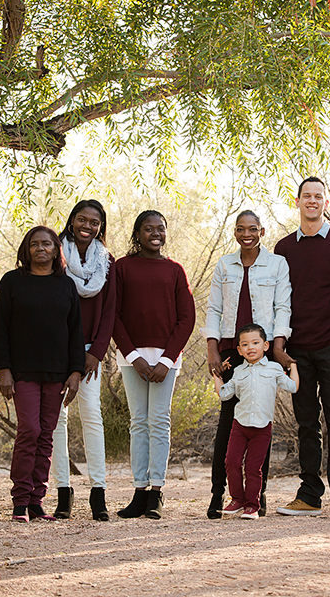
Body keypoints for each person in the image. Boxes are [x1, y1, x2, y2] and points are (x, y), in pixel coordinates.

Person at [273, 177, 330, 516]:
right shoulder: (284, 248)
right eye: (306, 196)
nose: (312, 201)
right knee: (306, 423)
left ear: (327, 202)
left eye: (318, 197)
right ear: (297, 202)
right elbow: (280, 302)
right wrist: (279, 347)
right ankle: (310, 494)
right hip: (298, 351)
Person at [202, 210, 292, 519]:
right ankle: (219, 495)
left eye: (252, 229)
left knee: (259, 421)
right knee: (228, 424)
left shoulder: (277, 264)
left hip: (262, 351)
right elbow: (214, 308)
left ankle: (257, 496)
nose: (246, 234)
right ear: (235, 232)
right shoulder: (225, 265)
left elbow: (283, 307)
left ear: (262, 231)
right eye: (240, 229)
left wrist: (277, 348)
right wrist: (213, 350)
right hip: (231, 349)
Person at [0, 226, 84, 522]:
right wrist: (4, 369)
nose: (41, 248)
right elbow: (0, 329)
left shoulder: (66, 285)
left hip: (58, 372)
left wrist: (75, 372)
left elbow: (75, 332)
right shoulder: (12, 282)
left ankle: (36, 501)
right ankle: (19, 500)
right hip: (22, 371)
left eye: (47, 244)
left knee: (46, 436)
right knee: (29, 430)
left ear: (57, 249)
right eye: (35, 244)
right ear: (26, 249)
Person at [113, 210, 196, 520]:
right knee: (139, 422)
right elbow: (114, 315)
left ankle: (156, 494)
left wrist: (166, 359)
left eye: (160, 228)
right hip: (131, 357)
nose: (155, 233)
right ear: (138, 233)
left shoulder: (175, 270)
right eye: (148, 229)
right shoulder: (123, 267)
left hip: (166, 360)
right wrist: (133, 356)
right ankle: (139, 492)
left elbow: (186, 318)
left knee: (159, 421)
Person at [48, 200, 116, 521]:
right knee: (58, 417)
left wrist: (95, 353)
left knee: (91, 414)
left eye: (94, 221)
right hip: (59, 348)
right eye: (81, 219)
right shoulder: (55, 257)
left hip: (90, 352)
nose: (87, 225)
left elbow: (110, 312)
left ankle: (98, 492)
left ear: (101, 226)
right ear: (72, 221)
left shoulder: (107, 262)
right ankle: (63, 491)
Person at [219, 324, 299, 520]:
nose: (250, 347)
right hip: (240, 425)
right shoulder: (238, 371)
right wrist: (217, 375)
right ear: (239, 350)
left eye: (255, 343)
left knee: (254, 468)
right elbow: (224, 394)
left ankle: (252, 506)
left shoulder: (274, 368)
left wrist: (293, 366)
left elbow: (293, 387)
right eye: (245, 344)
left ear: (265, 346)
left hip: (262, 427)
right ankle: (237, 499)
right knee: (231, 462)